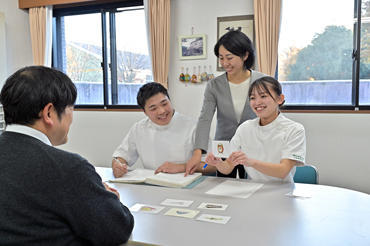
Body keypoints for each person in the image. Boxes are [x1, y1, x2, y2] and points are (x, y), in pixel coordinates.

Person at [0, 66, 134, 245]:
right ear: (49, 113)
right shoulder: (68, 168)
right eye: (71, 108)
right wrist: (110, 198)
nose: (72, 117)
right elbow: (117, 229)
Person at [185, 30, 266, 178]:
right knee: (223, 189)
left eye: (229, 57)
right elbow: (205, 118)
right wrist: (198, 153)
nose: (224, 63)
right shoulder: (214, 85)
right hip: (224, 147)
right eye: (221, 58)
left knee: (255, 186)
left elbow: (270, 115)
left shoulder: (262, 81)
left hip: (254, 145)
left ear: (245, 55)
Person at [205, 77, 306, 182]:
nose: (257, 102)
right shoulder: (245, 128)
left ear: (279, 99)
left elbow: (283, 171)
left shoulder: (294, 129)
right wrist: (218, 163)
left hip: (282, 191)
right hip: (252, 189)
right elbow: (228, 168)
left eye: (263, 96)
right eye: (252, 98)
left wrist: (252, 162)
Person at [112, 82, 214, 178]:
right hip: (154, 186)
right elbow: (121, 156)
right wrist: (118, 165)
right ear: (145, 112)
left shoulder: (195, 127)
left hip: (187, 186)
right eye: (153, 108)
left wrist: (182, 167)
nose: (162, 111)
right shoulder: (138, 129)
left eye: (164, 104)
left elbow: (211, 166)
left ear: (170, 100)